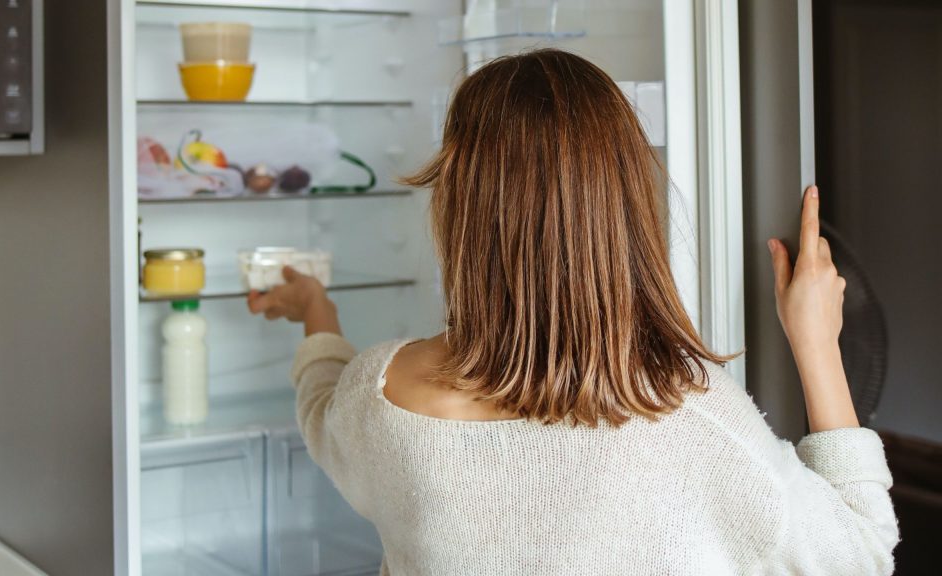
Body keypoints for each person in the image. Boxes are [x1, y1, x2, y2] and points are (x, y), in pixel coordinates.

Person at [247, 49, 898, 575]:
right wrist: (817, 342)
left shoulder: (384, 395)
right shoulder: (695, 419)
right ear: (625, 208)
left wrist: (316, 310)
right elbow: (861, 552)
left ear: (460, 210)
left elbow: (322, 407)